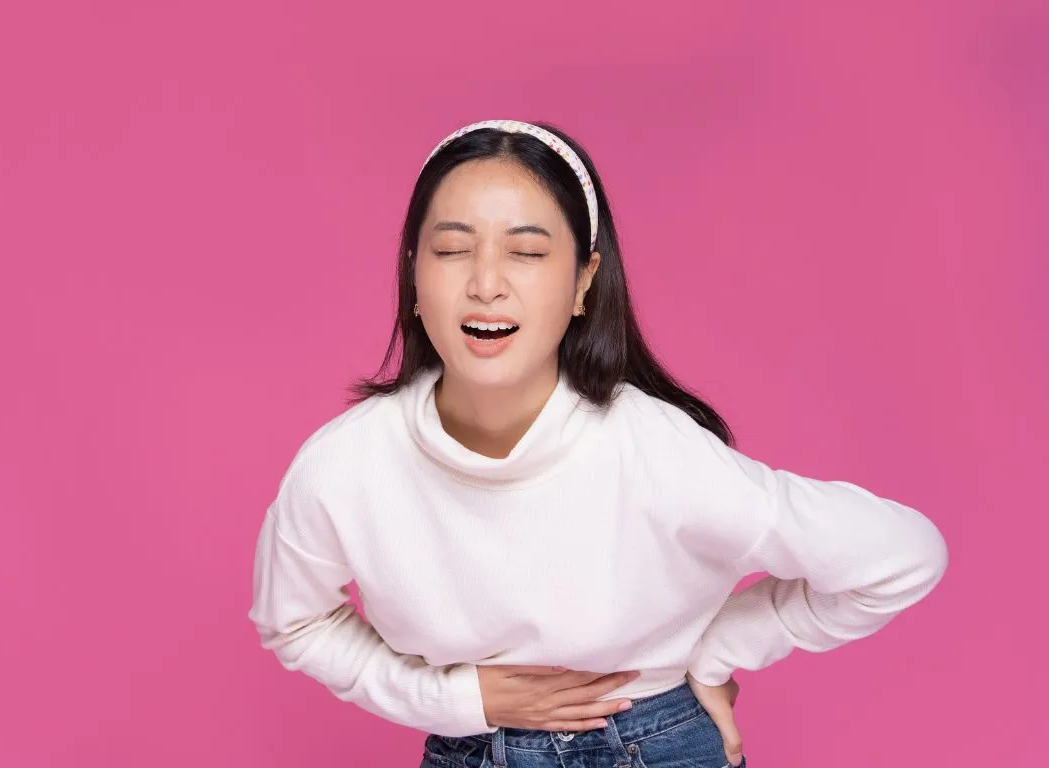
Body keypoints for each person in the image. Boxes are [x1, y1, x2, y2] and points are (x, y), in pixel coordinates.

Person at [247, 119, 948, 768]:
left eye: (525, 252)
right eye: (454, 250)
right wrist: (459, 702)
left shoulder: (653, 450)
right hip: (464, 747)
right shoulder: (345, 465)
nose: (486, 284)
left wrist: (715, 653)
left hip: (654, 741)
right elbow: (294, 621)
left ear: (584, 281)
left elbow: (900, 556)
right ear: (415, 278)